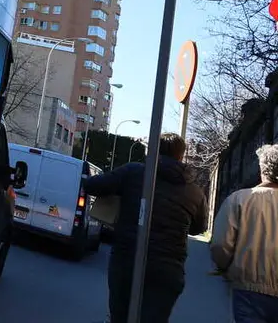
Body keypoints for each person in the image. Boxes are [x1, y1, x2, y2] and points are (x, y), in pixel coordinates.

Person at [83, 133, 207, 323]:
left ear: (154, 151)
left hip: (129, 260)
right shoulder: (195, 192)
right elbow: (199, 227)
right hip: (168, 269)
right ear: (181, 156)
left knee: (120, 317)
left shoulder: (134, 173)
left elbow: (93, 186)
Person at [210, 144, 278, 323]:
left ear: (263, 169)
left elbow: (221, 245)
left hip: (249, 290)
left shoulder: (239, 200)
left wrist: (225, 267)